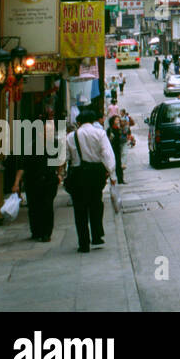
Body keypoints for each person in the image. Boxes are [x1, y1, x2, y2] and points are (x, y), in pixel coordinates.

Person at [63, 108, 115, 253]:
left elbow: (65, 157)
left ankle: (83, 243)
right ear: (93, 120)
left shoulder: (71, 136)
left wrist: (61, 173)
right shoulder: (100, 133)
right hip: (96, 174)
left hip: (78, 174)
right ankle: (97, 236)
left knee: (79, 209)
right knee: (96, 204)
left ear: (78, 122)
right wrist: (111, 173)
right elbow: (107, 154)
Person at [11, 112, 59, 242]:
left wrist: (59, 175)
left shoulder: (54, 145)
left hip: (49, 181)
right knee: (34, 208)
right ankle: (36, 231)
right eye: (44, 131)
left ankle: (46, 233)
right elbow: (22, 166)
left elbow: (59, 162)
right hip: (33, 181)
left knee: (47, 206)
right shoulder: (30, 147)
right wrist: (16, 183)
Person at [107, 106, 133, 185]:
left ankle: (120, 179)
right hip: (112, 149)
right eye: (116, 120)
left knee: (118, 164)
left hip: (117, 148)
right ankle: (113, 179)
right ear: (113, 121)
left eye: (118, 120)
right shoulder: (110, 129)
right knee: (112, 165)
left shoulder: (118, 129)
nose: (118, 121)